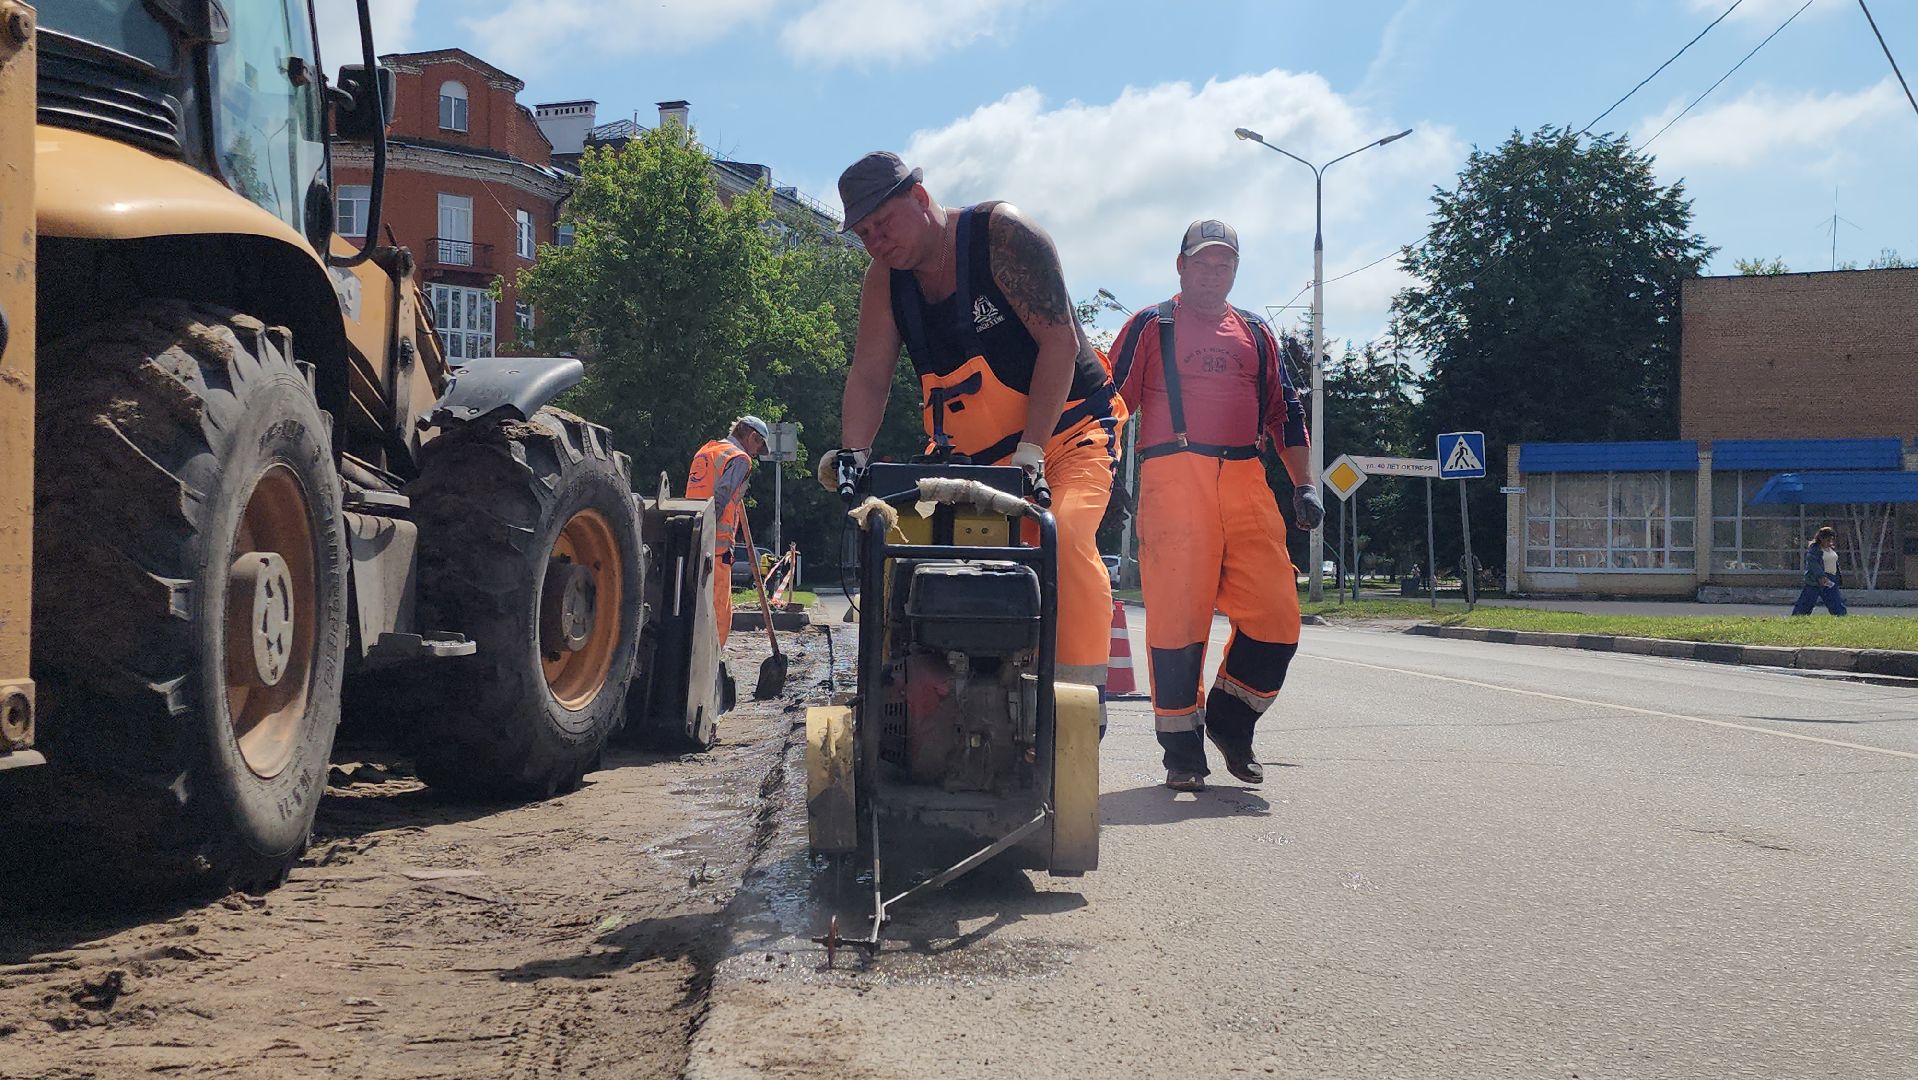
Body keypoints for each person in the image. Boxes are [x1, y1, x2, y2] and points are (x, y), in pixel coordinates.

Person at [819, 151, 1124, 698]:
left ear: (918, 197)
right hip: (976, 461)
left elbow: (1059, 342)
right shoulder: (885, 282)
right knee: (910, 560)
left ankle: (1074, 702)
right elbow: (869, 373)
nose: (876, 241)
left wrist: (1031, 454)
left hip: (1066, 436)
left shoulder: (1002, 237)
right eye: (864, 233)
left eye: (883, 223)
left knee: (1065, 536)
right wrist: (853, 457)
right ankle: (933, 701)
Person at [1108, 219, 1323, 792]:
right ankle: (1182, 753)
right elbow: (1110, 404)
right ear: (1180, 266)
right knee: (1179, 624)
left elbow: (1287, 412)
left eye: (1224, 263)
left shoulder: (1256, 331)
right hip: (1174, 477)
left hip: (1248, 479)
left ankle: (1231, 722)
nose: (1213, 271)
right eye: (1202, 261)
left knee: (1278, 617)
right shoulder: (1151, 325)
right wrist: (1103, 474)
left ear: (1235, 271)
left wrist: (1303, 484)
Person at [687, 416, 769, 644]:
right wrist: (710, 529)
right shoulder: (740, 459)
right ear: (752, 436)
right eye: (758, 445)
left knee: (695, 608)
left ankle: (698, 656)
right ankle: (714, 662)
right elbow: (720, 496)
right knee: (720, 612)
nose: (756, 453)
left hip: (691, 536)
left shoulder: (706, 451)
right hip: (716, 546)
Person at [1790, 525, 1848, 616]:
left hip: (1831, 578)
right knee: (1807, 601)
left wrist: (1837, 577)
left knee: (1835, 600)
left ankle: (1841, 616)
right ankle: (1798, 616)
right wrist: (1821, 576)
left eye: (1832, 540)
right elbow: (1813, 564)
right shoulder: (1814, 550)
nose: (1830, 542)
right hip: (1816, 580)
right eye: (1828, 540)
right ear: (1821, 539)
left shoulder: (1830, 550)